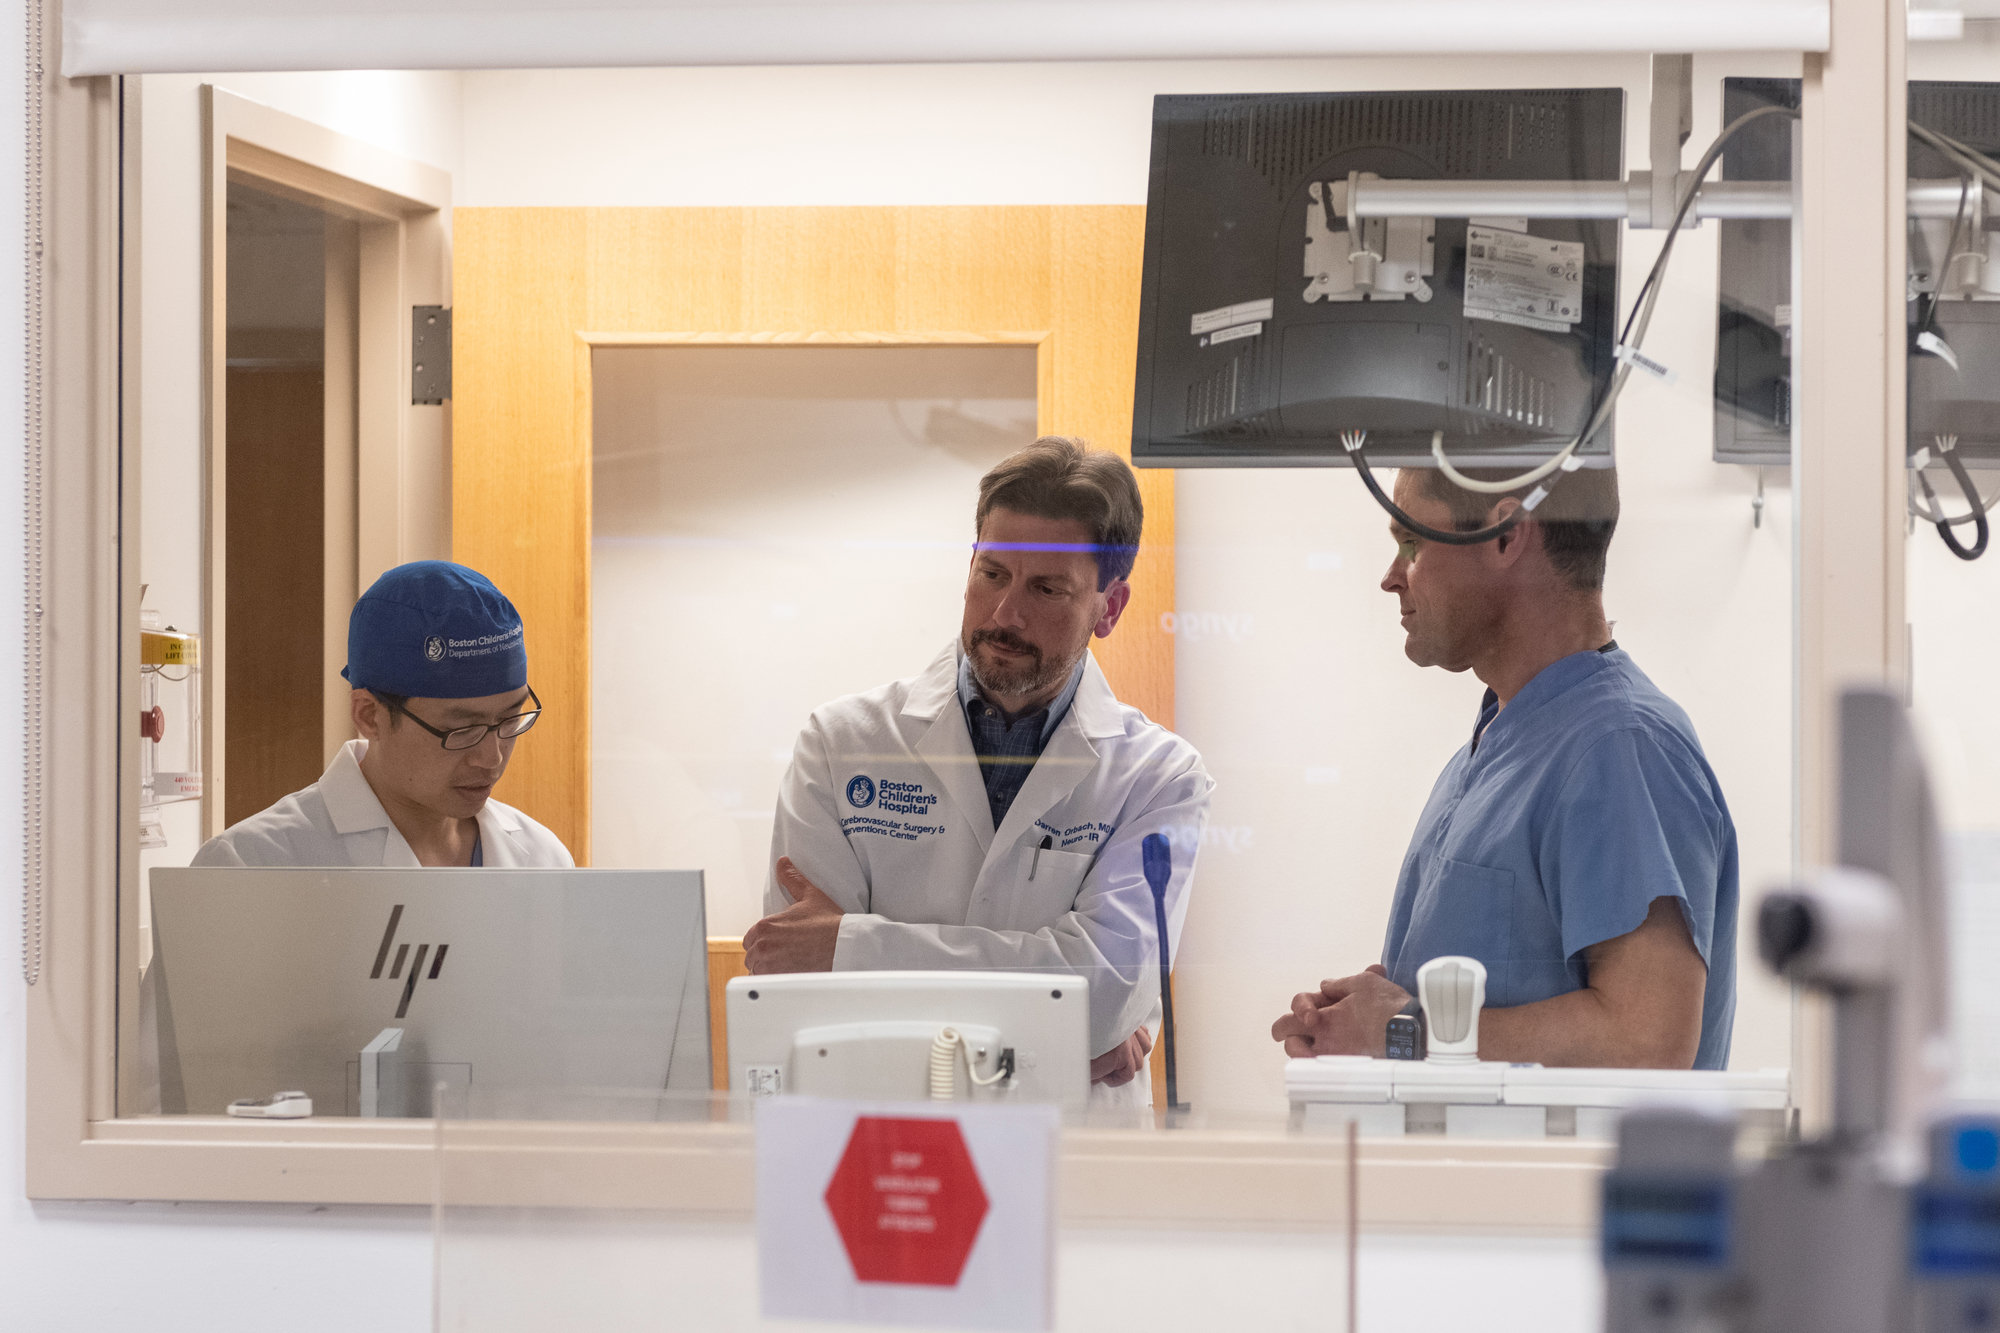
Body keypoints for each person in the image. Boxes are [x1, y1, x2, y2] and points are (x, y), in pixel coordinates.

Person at [743, 437, 1214, 1103]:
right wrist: (1057, 1031)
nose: (1006, 613)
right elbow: (803, 991)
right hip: (881, 1145)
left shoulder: (1159, 777)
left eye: (1047, 588)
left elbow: (1106, 996)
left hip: (1071, 1168)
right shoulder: (840, 743)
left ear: (1109, 607)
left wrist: (852, 946)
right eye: (992, 574)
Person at [1271, 466, 1738, 1070]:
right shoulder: (1503, 736)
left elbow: (1646, 1041)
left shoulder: (1623, 749)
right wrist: (1371, 1013)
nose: (1391, 578)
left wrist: (1402, 1028)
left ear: (1505, 535)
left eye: (1411, 543)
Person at [192, 560, 572, 868]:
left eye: (509, 720)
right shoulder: (251, 866)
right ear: (369, 715)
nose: (491, 758)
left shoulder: (543, 858)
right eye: (462, 729)